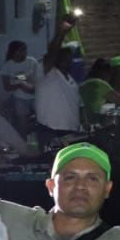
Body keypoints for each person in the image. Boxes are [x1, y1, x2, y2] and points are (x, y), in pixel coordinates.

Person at [34, 18, 82, 146]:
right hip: (51, 131)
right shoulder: (47, 73)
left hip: (70, 131)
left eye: (70, 55)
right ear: (56, 57)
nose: (68, 58)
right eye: (64, 54)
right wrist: (62, 32)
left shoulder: (71, 79)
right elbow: (52, 52)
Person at [0, 41, 39, 136]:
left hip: (35, 96)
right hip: (20, 99)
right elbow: (7, 87)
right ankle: (26, 143)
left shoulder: (32, 61)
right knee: (23, 125)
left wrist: (19, 79)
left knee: (42, 120)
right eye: (21, 50)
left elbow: (37, 78)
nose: (24, 52)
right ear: (14, 52)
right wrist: (20, 84)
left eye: (25, 50)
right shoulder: (7, 66)